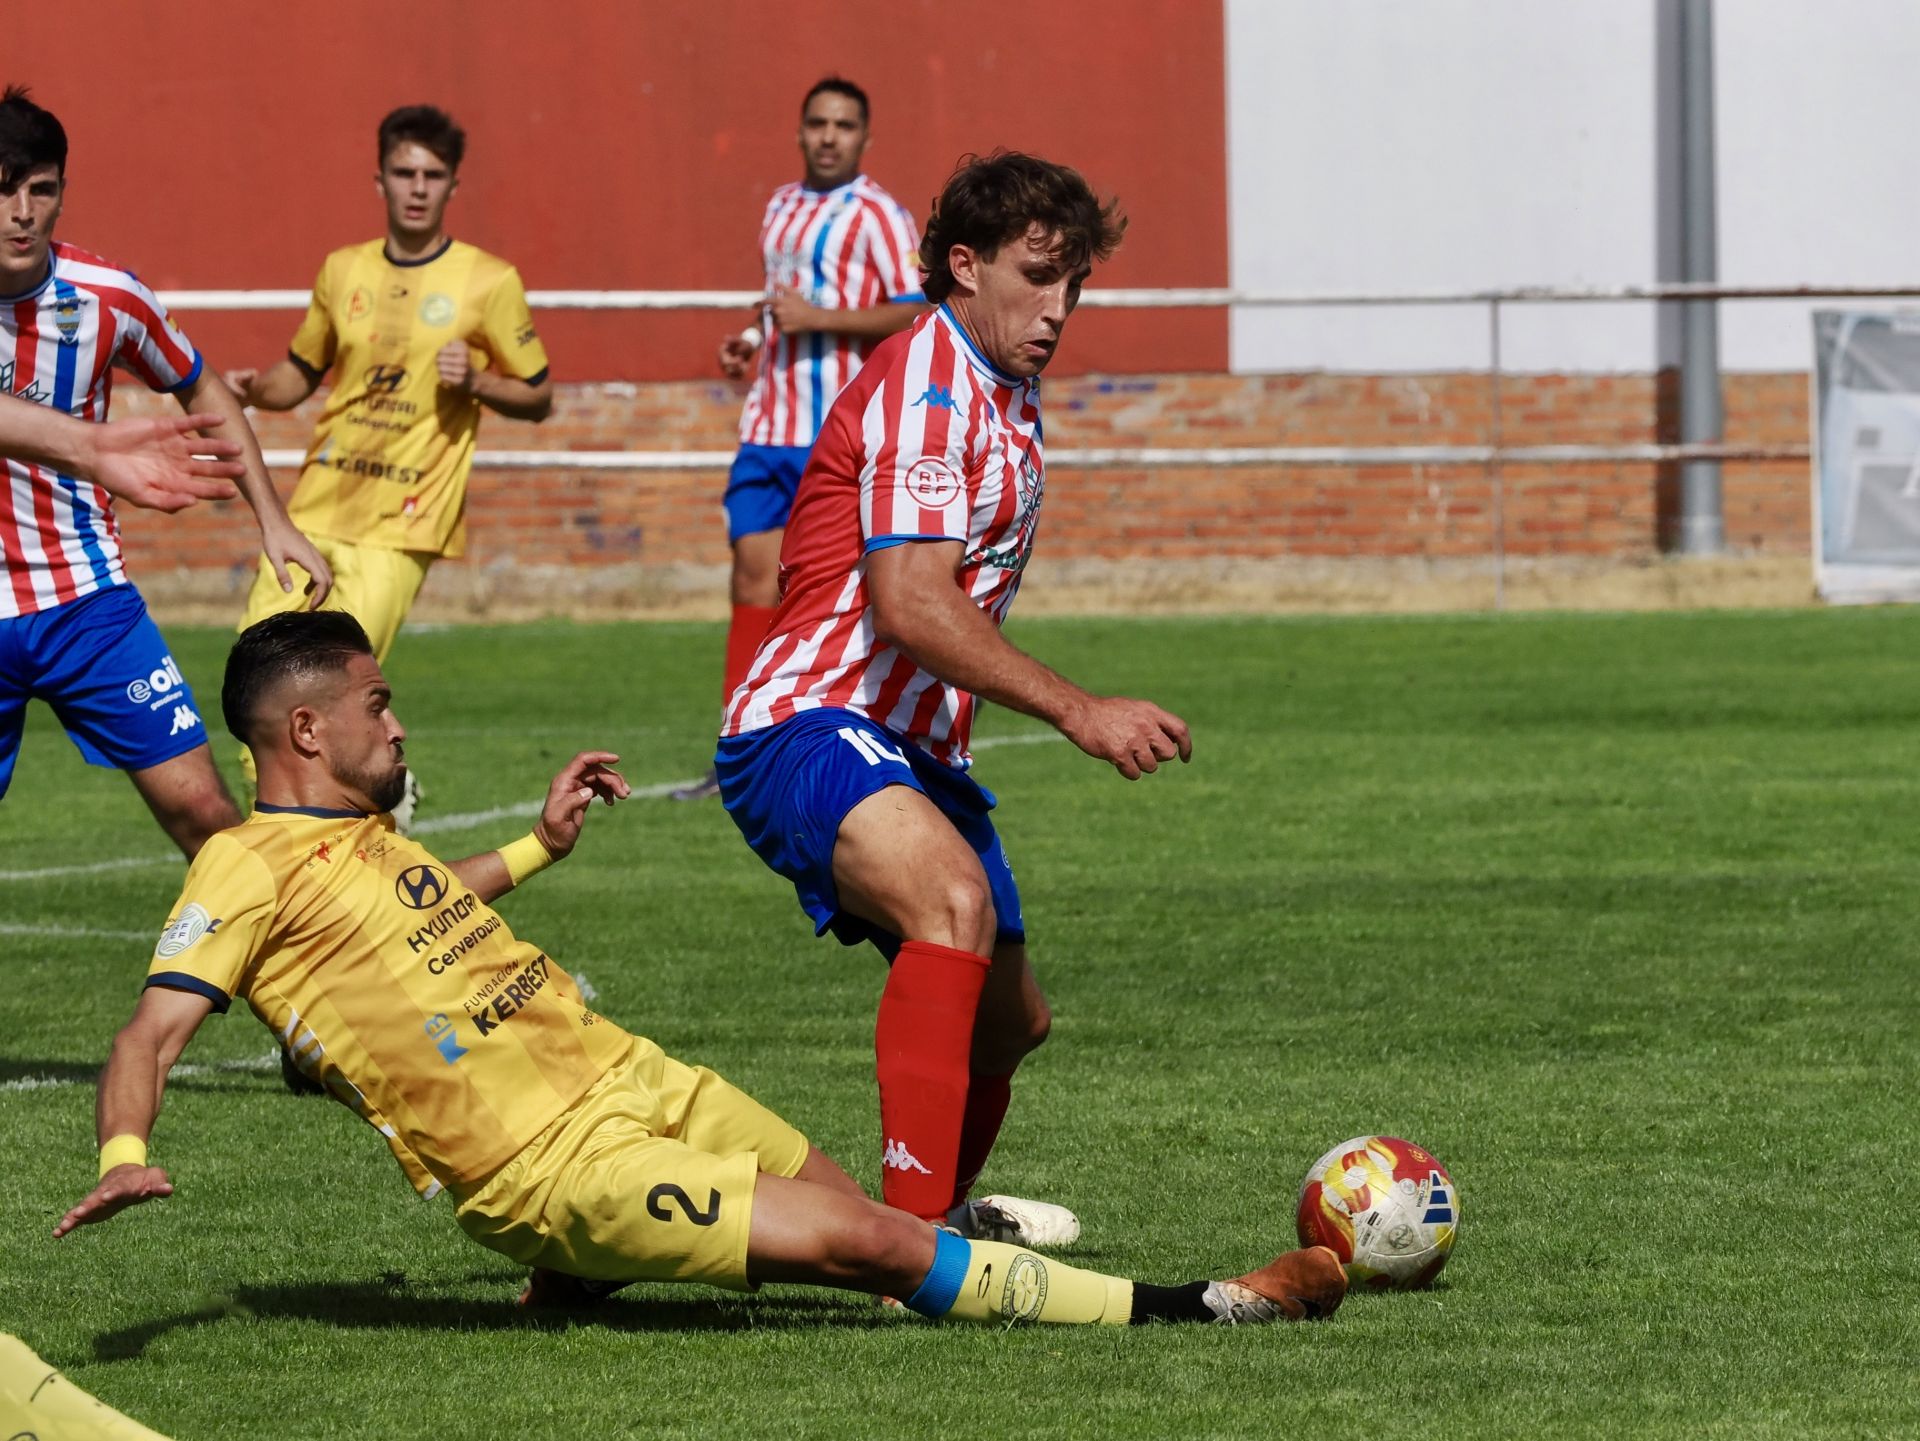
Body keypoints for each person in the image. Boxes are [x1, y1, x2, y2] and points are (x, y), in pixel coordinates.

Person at [52, 610, 1345, 1334]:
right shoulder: (242, 865)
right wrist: (124, 1155)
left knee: (893, 1237)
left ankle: (582, 1280)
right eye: (378, 704)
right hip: (551, 1161)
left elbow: (425, 909)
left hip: (636, 1079)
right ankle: (1210, 1306)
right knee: (882, 1248)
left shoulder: (362, 841)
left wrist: (537, 846)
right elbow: (149, 1035)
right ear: (307, 727)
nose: (399, 721)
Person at [713, 153, 1192, 1243]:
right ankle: (917, 1247)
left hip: (913, 744)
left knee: (1010, 1025)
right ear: (964, 268)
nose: (1061, 309)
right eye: (1039, 277)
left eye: (1076, 285)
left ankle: (911, 1220)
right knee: (952, 906)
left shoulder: (1003, 388)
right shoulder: (928, 379)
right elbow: (908, 602)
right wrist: (1079, 708)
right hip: (809, 721)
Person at [0, 85, 332, 855]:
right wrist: (87, 446)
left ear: (61, 196)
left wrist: (273, 520)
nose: (21, 211)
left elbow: (202, 384)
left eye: (39, 190)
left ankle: (284, 979)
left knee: (208, 816)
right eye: (3, 189)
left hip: (85, 600)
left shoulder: (108, 297)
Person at [226, 103, 553, 828]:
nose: (416, 187)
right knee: (256, 691)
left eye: (432, 175)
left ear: (452, 187)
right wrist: (253, 389)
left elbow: (539, 395)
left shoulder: (488, 281)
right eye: (403, 172)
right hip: (312, 511)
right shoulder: (343, 270)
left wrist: (479, 381)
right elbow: (298, 373)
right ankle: (360, 819)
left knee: (323, 691)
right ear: (378, 178)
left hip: (402, 523)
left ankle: (353, 830)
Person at [673, 77, 924, 801]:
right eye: (817, 122)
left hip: (835, 433)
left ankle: (840, 741)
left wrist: (820, 319)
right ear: (800, 130)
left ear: (865, 138)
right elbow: (779, 302)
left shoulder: (880, 215)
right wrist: (752, 337)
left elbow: (913, 314)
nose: (828, 136)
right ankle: (736, 752)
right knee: (750, 581)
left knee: (825, 594)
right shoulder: (780, 207)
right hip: (767, 427)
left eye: (844, 125)